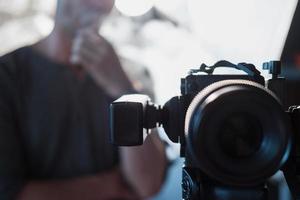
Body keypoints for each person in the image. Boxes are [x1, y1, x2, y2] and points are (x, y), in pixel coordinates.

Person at [0, 0, 167, 199]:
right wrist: (111, 186)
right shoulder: (7, 76)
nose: (95, 3)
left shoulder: (132, 74)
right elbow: (10, 192)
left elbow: (147, 184)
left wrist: (123, 89)